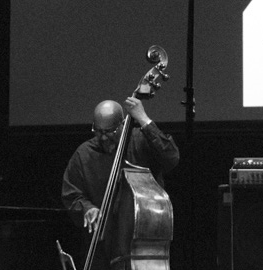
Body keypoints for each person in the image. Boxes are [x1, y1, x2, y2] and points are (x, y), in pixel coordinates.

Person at [61, 94, 179, 242]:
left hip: (144, 239)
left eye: (109, 131)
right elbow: (71, 194)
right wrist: (87, 208)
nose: (103, 137)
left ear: (122, 124)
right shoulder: (84, 154)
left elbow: (171, 158)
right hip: (103, 244)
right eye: (98, 131)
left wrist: (143, 118)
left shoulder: (141, 140)